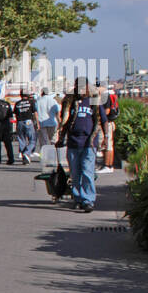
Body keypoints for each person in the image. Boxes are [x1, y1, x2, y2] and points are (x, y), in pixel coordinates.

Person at [57, 78, 107, 213]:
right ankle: (78, 198)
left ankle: (88, 200)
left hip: (89, 143)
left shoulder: (94, 100)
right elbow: (65, 121)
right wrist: (61, 138)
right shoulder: (69, 101)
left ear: (87, 87)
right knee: (75, 172)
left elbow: (103, 120)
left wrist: (106, 137)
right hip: (73, 142)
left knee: (87, 171)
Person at [98, 88, 120, 173]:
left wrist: (98, 118)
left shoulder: (105, 97)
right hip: (110, 123)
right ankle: (109, 165)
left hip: (107, 124)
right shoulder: (107, 96)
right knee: (109, 145)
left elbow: (107, 111)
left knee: (107, 145)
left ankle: (108, 165)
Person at [14, 90, 38, 164]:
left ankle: (24, 155)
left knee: (21, 139)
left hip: (19, 122)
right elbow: (35, 113)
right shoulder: (31, 102)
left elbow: (15, 114)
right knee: (32, 139)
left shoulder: (17, 103)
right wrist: (37, 123)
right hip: (28, 121)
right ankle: (27, 153)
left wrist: (16, 125)